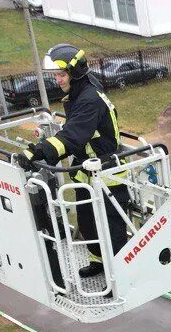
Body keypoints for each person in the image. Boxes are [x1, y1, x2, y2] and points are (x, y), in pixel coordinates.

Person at [16, 44, 127, 278]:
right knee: (88, 222)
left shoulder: (89, 100)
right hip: (87, 170)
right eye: (56, 75)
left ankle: (118, 274)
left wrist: (37, 152)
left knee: (111, 227)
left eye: (61, 74)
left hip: (107, 174)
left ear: (75, 74)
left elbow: (72, 137)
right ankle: (99, 262)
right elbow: (74, 137)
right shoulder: (81, 92)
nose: (57, 80)